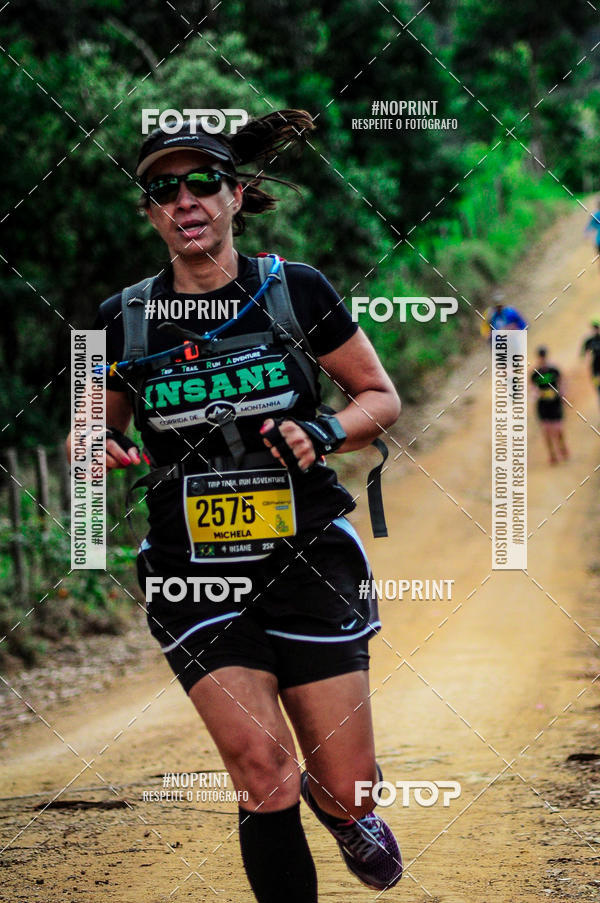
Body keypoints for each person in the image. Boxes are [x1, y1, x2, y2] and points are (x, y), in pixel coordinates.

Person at [65, 111, 403, 902]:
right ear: (150, 210)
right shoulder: (120, 319)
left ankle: (349, 812)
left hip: (309, 556)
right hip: (193, 573)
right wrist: (96, 450)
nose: (185, 199)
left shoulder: (298, 289)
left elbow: (379, 397)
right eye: (163, 188)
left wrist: (323, 429)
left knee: (345, 785)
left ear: (236, 194)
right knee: (263, 774)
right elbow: (86, 433)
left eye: (202, 182)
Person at [530, 346, 569, 464]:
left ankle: (562, 447)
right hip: (543, 404)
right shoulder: (535, 373)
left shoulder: (554, 370)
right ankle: (552, 454)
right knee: (546, 430)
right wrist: (536, 393)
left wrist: (561, 394)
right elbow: (531, 386)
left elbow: (562, 382)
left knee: (558, 429)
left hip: (555, 403)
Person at [581, 320, 600, 403]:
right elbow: (583, 354)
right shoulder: (589, 341)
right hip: (595, 364)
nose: (595, 329)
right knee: (597, 384)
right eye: (594, 328)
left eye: (597, 328)